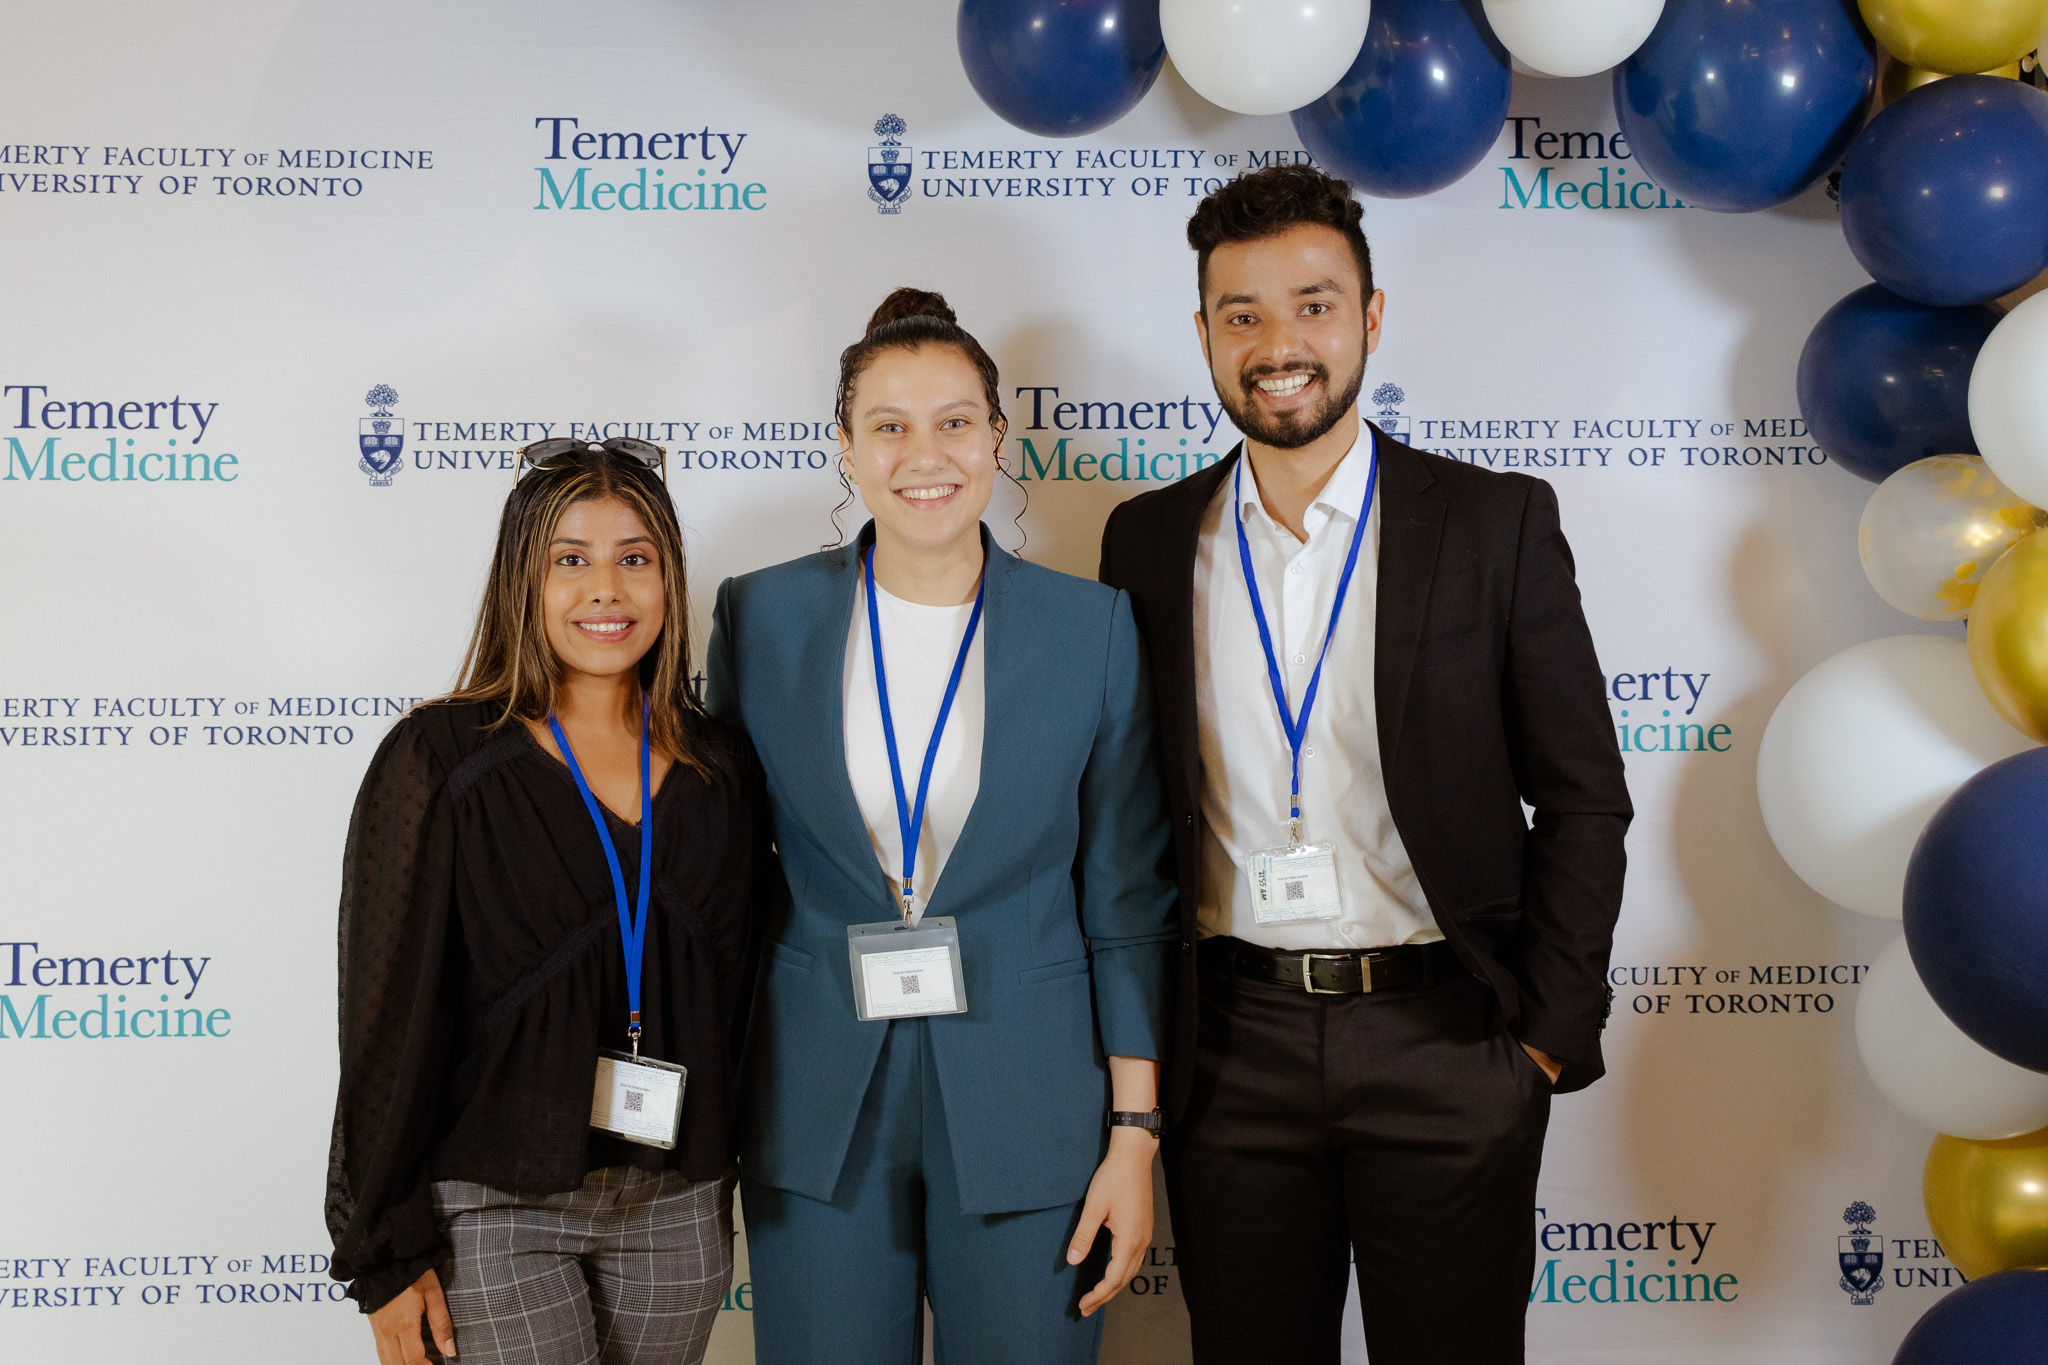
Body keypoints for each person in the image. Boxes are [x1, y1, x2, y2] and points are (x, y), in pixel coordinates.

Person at [1098, 164, 1633, 1364]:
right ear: (1201, 335)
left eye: (1312, 304)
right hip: (1228, 1051)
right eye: (1240, 315)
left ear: (1370, 316)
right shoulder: (1141, 541)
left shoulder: (1492, 524)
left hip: (1446, 1041)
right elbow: (1131, 819)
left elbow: (1583, 795)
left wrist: (1536, 1041)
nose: (1276, 344)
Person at [706, 287, 1178, 1365]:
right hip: (816, 1100)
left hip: (1031, 1098)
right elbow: (720, 873)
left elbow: (1124, 893)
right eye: (889, 425)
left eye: (954, 421)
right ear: (845, 448)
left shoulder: (1090, 627)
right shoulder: (759, 615)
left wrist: (1133, 1135)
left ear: (998, 439)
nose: (926, 455)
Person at [326, 440, 769, 1365]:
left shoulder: (722, 768)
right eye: (571, 559)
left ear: (668, 577)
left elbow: (743, 998)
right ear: (523, 578)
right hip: (494, 1206)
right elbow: (384, 1023)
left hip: (676, 1206)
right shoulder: (441, 759)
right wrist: (383, 1251)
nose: (605, 590)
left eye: (633, 558)